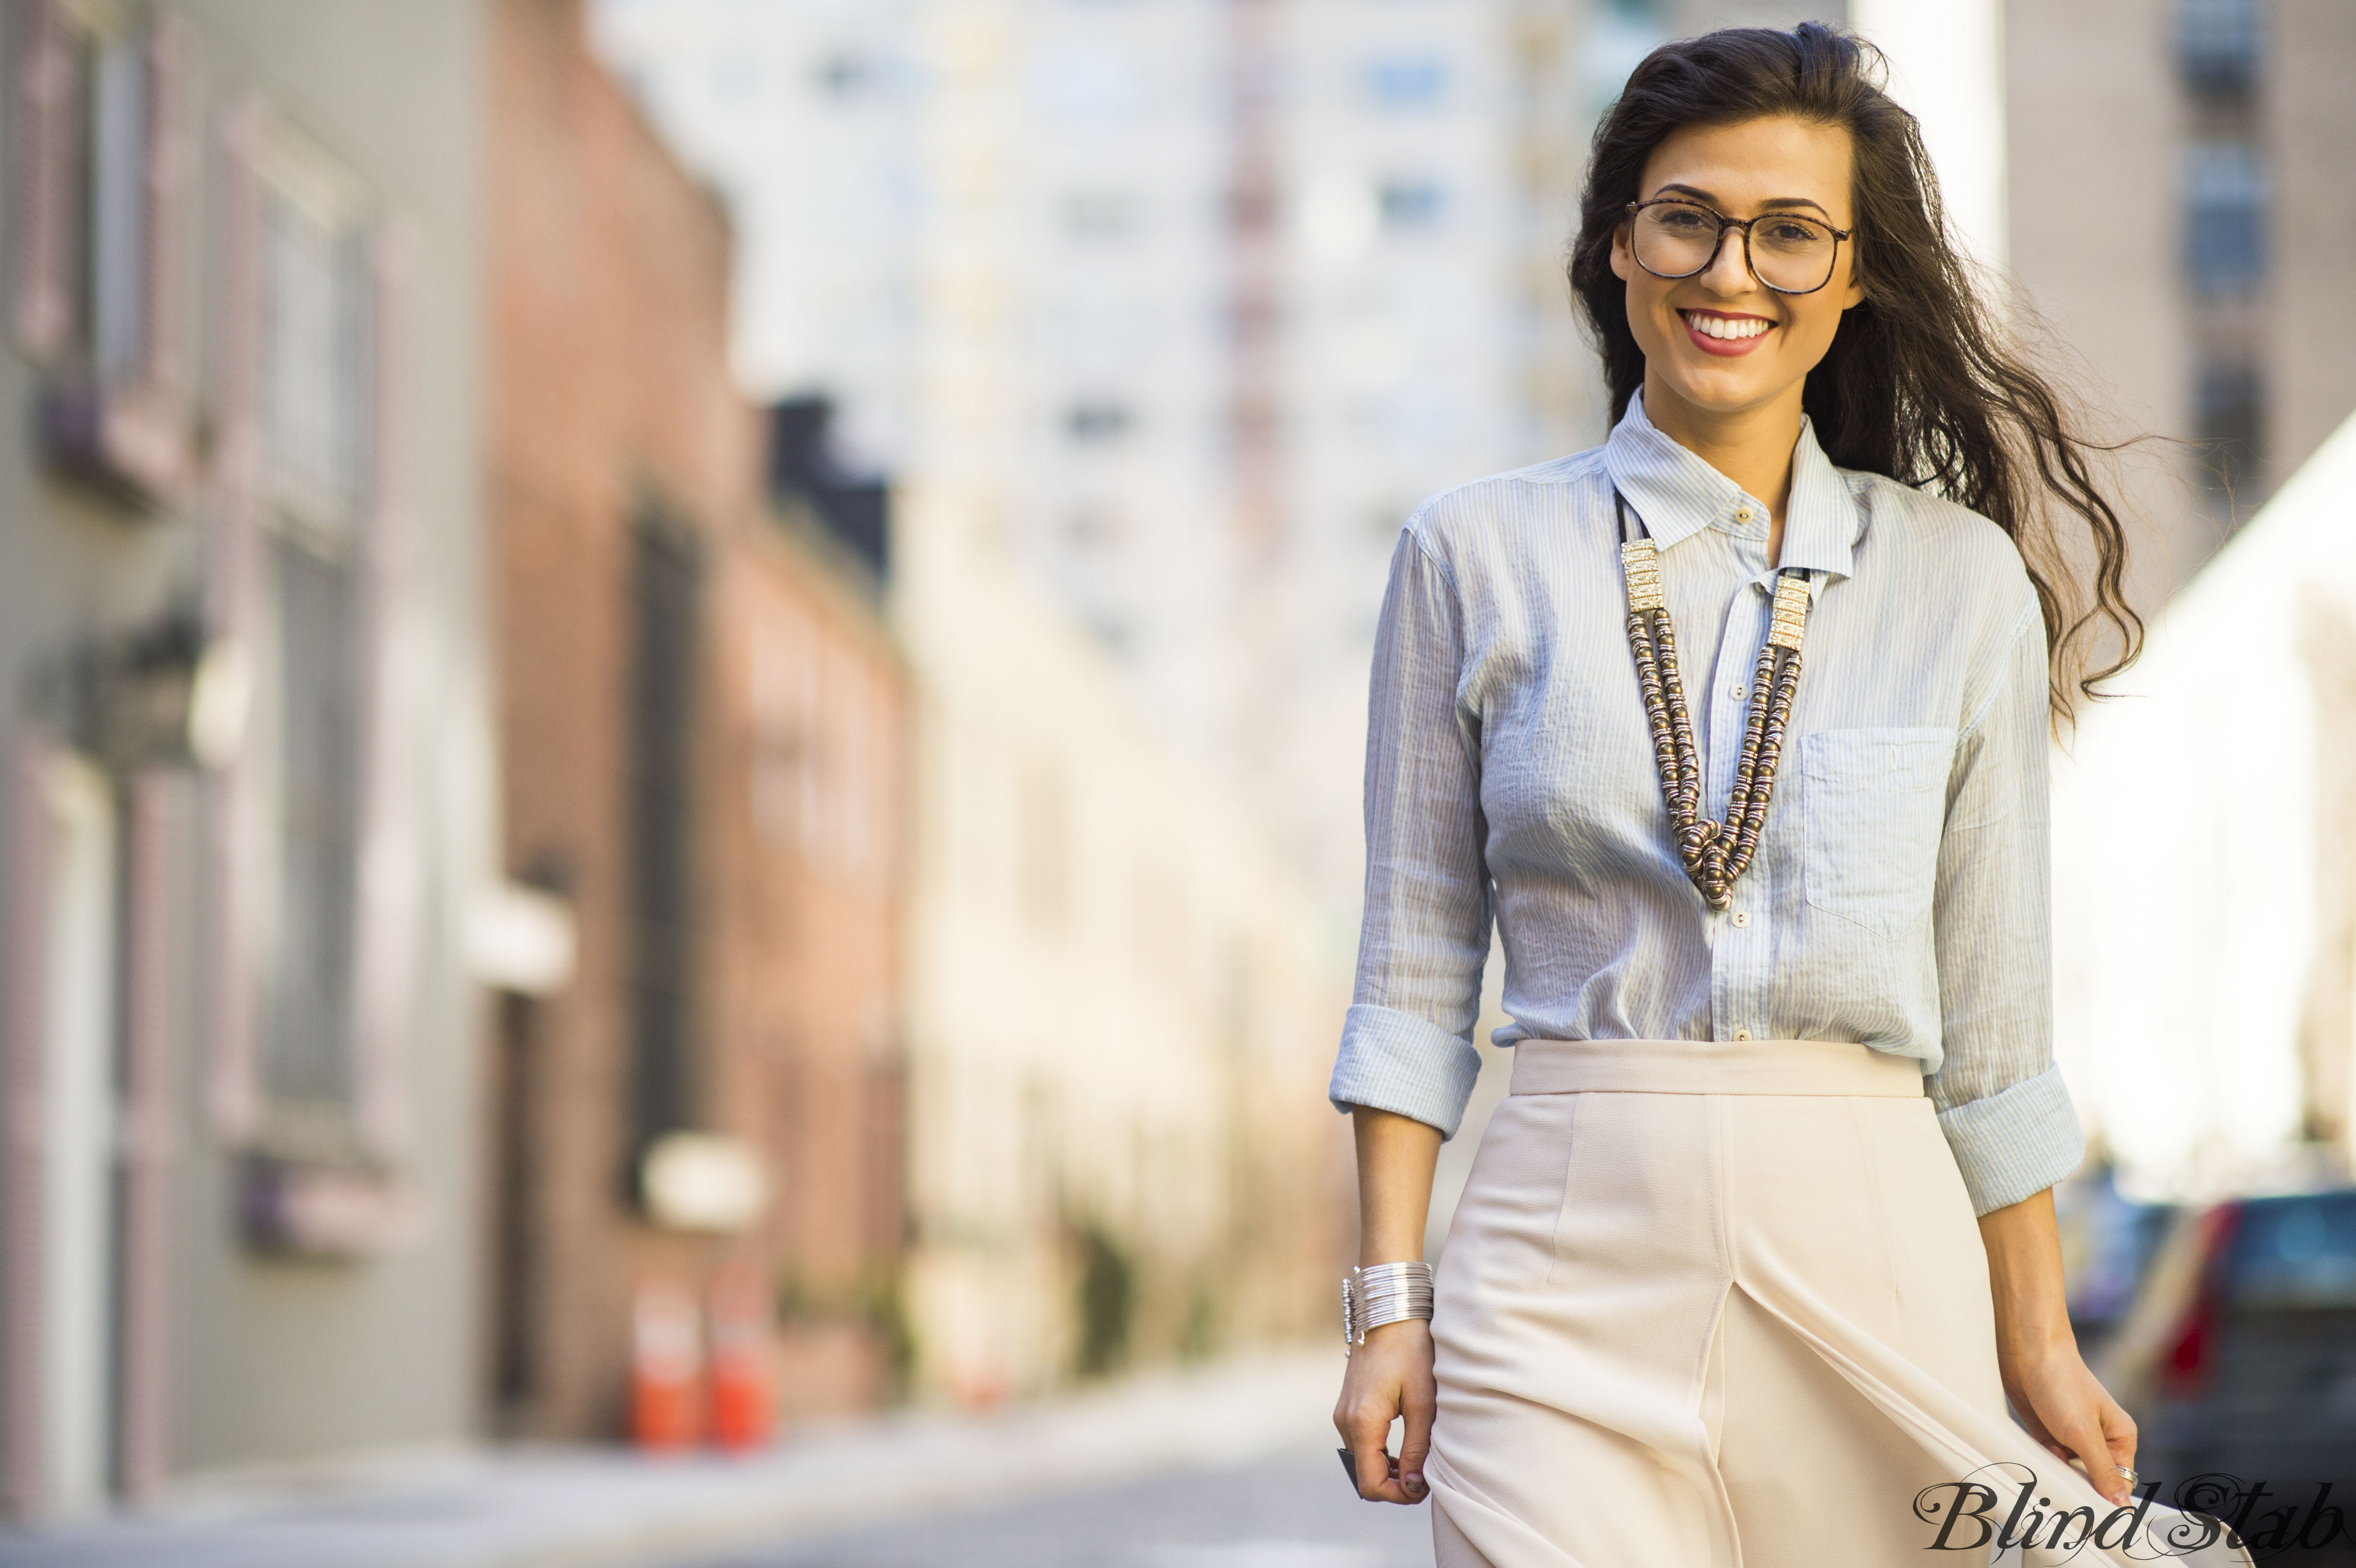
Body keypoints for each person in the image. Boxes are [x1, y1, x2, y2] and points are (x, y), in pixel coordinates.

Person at [1326, 23, 2252, 1568]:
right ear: (1618, 245)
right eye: (1686, 216)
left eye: (1791, 232)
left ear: (1854, 277)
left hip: (1875, 1255)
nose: (1730, 271)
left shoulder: (1959, 584)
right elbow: (1414, 976)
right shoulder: (1470, 555)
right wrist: (1389, 1307)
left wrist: (2034, 1335)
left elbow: (1995, 1024)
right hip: (1560, 1268)